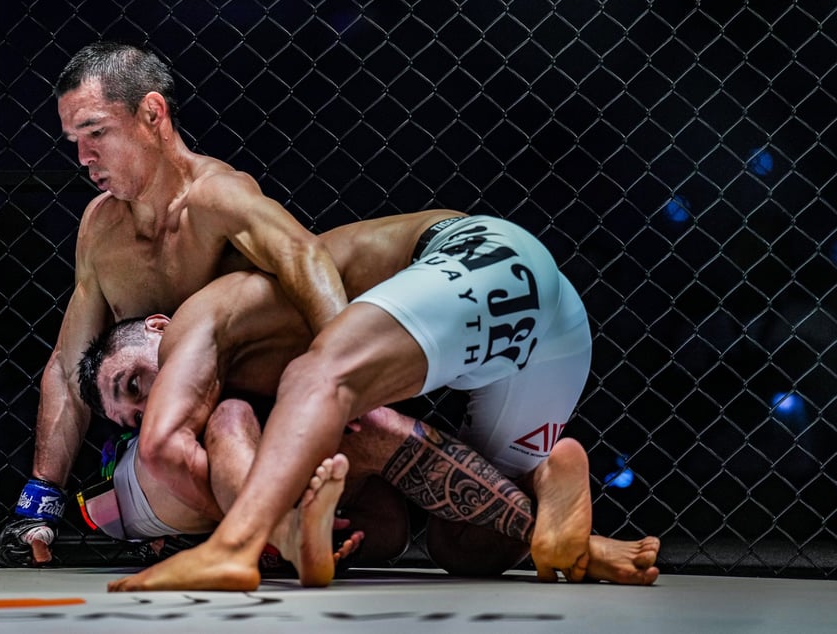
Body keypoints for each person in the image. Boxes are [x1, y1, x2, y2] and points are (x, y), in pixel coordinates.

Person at [80, 210, 658, 590]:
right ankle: (555, 483)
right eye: (131, 416)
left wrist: (231, 525)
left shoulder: (198, 319)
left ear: (157, 327)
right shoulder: (246, 405)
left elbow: (161, 448)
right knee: (465, 549)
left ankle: (234, 548)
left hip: (484, 259)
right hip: (549, 336)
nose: (147, 408)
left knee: (316, 376)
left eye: (134, 385)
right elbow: (380, 508)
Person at [0, 41, 348, 566]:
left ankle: (254, 528)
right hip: (166, 450)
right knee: (179, 450)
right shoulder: (100, 229)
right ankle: (271, 534)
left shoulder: (219, 198)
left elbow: (306, 259)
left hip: (256, 421)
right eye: (75, 139)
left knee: (382, 527)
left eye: (96, 133)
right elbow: (69, 367)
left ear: (152, 113)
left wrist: (344, 374)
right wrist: (40, 502)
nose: (83, 158)